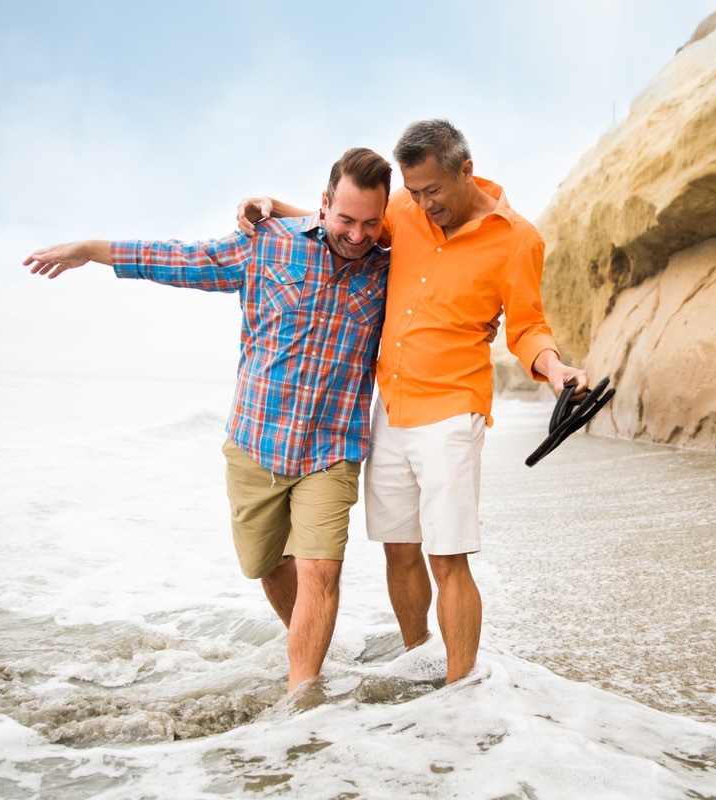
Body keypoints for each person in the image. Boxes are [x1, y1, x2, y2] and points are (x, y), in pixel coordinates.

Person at [24, 147, 393, 696]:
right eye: (346, 219)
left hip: (331, 450)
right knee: (267, 566)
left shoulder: (389, 265)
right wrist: (92, 250)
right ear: (323, 204)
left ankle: (305, 698)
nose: (358, 235)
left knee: (321, 571)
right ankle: (315, 650)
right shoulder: (268, 242)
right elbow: (177, 258)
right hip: (255, 441)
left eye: (370, 222)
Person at [237, 121, 589, 684]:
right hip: (391, 408)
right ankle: (417, 655)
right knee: (398, 551)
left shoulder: (518, 239)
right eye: (414, 192)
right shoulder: (404, 208)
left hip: (453, 408)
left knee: (447, 558)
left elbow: (526, 328)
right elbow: (344, 223)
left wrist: (555, 368)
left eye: (433, 192)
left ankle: (460, 688)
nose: (422, 204)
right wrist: (270, 205)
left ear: (465, 171)